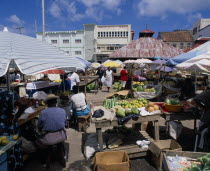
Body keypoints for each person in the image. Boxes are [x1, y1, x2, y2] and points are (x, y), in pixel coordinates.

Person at [36, 94, 67, 167]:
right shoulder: (62, 110)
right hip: (62, 135)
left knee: (36, 140)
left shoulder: (43, 112)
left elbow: (40, 126)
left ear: (47, 103)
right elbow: (65, 123)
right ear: (56, 102)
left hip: (48, 139)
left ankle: (45, 161)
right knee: (59, 145)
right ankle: (61, 158)